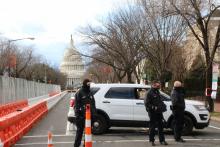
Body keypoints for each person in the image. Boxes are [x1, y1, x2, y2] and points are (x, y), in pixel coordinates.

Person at [74, 78, 97, 147]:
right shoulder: (79, 93)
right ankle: (76, 146)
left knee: (88, 133)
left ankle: (85, 145)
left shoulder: (90, 92)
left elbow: (93, 104)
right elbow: (77, 105)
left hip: (89, 117)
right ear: (85, 84)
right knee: (79, 133)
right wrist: (77, 116)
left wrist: (94, 115)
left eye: (89, 84)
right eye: (88, 83)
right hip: (81, 117)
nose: (89, 85)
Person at [144, 81, 168, 146]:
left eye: (158, 86)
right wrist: (153, 107)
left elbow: (159, 101)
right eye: (157, 86)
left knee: (161, 126)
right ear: (153, 85)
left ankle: (162, 140)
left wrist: (163, 106)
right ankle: (152, 140)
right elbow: (146, 103)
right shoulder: (149, 93)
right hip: (152, 112)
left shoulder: (157, 92)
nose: (158, 87)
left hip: (159, 112)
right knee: (152, 126)